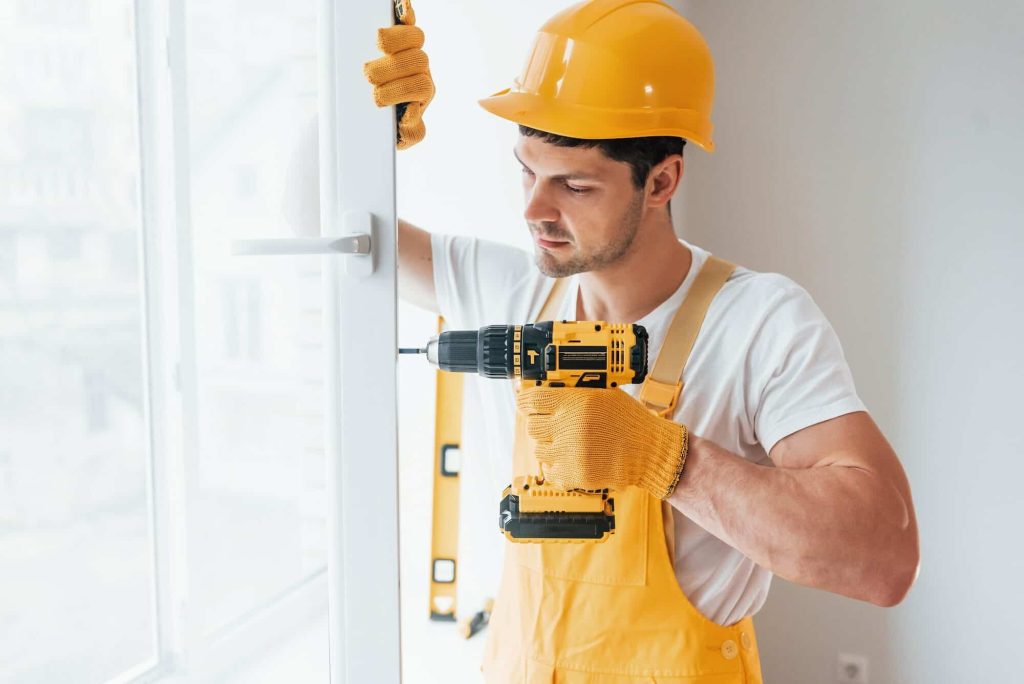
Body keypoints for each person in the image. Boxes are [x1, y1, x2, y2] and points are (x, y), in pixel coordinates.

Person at [362, 1, 919, 681]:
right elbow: (324, 227)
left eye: (573, 184)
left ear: (661, 180)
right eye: (527, 171)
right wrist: (366, 126)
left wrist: (663, 458)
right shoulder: (509, 291)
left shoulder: (759, 323)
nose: (534, 210)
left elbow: (883, 560)